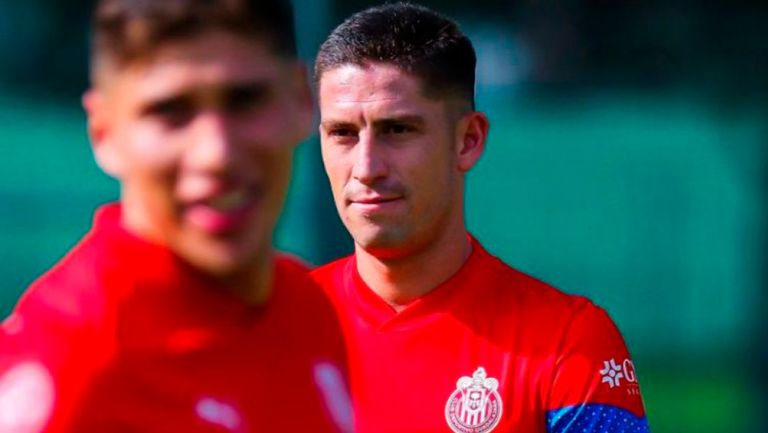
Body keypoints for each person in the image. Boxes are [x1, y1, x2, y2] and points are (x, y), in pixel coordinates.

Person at [0, 1, 351, 432]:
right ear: (104, 133)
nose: (216, 153)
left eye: (245, 100)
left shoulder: (309, 309)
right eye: (171, 111)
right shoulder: (70, 361)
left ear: (302, 99)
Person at [311, 3, 650, 433]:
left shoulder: (569, 344)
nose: (366, 167)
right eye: (342, 133)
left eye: (397, 130)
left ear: (468, 141)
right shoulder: (264, 334)